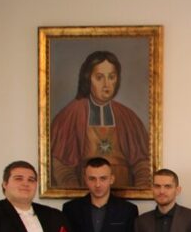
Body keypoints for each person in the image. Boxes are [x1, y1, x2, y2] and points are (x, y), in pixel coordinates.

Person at [50, 50, 150, 188]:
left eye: (111, 77)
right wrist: (79, 194)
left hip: (124, 194)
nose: (107, 84)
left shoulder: (128, 117)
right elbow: (61, 167)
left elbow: (143, 164)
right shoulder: (70, 115)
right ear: (88, 79)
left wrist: (137, 192)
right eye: (99, 77)